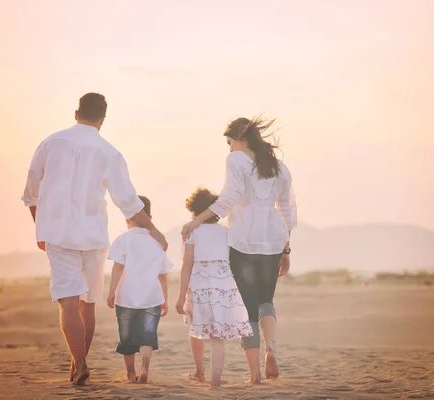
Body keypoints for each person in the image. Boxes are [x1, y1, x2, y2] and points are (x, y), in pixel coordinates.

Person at [21, 93, 168, 385]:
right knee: (87, 304)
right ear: (102, 120)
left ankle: (80, 362)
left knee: (67, 303)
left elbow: (31, 193)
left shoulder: (50, 143)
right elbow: (128, 202)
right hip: (93, 236)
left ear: (76, 113)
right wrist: (155, 231)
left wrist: (42, 228)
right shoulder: (109, 152)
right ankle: (79, 363)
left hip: (59, 236)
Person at [181, 116, 297, 384]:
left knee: (247, 309)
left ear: (240, 138)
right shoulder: (280, 168)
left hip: (244, 241)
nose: (229, 148)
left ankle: (255, 374)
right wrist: (286, 248)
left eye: (229, 141)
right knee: (266, 300)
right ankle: (271, 351)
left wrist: (196, 220)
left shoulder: (236, 161)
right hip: (272, 242)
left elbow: (229, 198)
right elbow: (287, 210)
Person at [175, 188, 253, 388]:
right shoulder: (226, 232)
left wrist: (180, 296)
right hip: (223, 286)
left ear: (193, 210)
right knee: (216, 337)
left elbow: (187, 265)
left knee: (196, 328)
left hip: (200, 286)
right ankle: (216, 380)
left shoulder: (192, 233)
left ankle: (199, 372)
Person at [107, 196, 172, 383]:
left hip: (126, 298)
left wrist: (111, 291)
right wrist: (165, 299)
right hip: (152, 298)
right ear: (149, 218)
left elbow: (118, 268)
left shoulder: (123, 240)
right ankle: (144, 370)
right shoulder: (157, 243)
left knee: (127, 337)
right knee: (147, 336)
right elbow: (163, 275)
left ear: (127, 219)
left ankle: (130, 373)